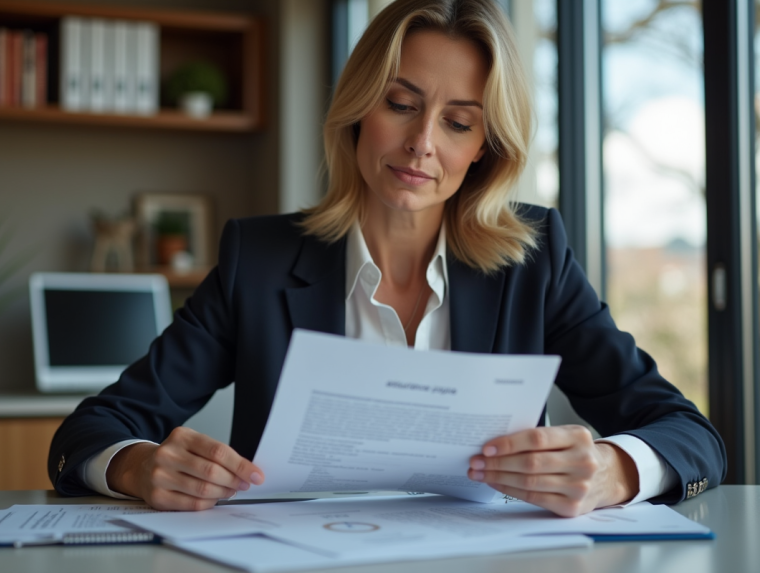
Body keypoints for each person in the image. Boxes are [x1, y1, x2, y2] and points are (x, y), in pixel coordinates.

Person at [49, 0, 725, 517]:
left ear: (484, 149)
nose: (421, 143)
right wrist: (138, 466)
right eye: (401, 104)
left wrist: (615, 468)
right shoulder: (257, 260)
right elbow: (90, 431)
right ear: (358, 110)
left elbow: (690, 435)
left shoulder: (535, 260)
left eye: (458, 122)